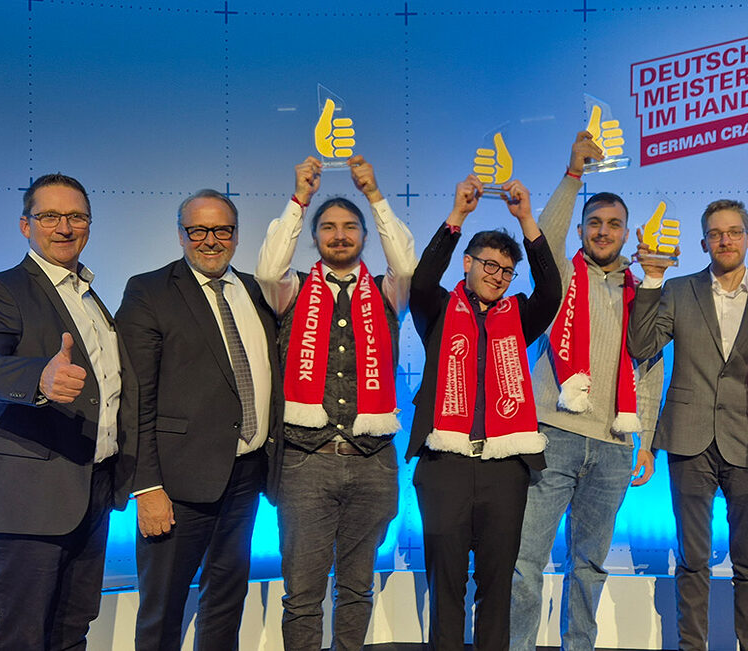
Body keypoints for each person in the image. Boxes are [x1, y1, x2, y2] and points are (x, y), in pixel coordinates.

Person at [0, 173, 136, 651]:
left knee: (72, 628)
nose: (64, 227)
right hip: (31, 500)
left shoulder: (90, 295)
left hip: (92, 488)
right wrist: (39, 379)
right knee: (22, 637)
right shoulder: (1, 290)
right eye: (49, 216)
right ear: (24, 225)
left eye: (76, 216)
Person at [253, 155, 416, 651]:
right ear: (314, 236)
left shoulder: (389, 292)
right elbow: (266, 266)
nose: (339, 235)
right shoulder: (292, 290)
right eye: (328, 228)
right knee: (301, 594)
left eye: (350, 228)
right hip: (306, 463)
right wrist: (300, 197)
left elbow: (406, 261)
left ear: (365, 236)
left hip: (372, 464)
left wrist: (374, 195)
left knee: (356, 588)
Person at [508, 132, 664, 651]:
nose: (603, 232)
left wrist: (643, 438)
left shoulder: (645, 289)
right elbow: (544, 236)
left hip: (616, 445)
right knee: (526, 558)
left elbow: (649, 367)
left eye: (613, 224)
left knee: (590, 564)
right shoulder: (559, 277)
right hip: (554, 433)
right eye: (593, 223)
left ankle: (580, 646)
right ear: (581, 229)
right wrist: (573, 173)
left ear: (627, 233)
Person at [626, 199, 748, 651]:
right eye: (717, 233)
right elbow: (642, 344)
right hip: (688, 438)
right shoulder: (679, 289)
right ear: (704, 242)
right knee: (692, 559)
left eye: (735, 232)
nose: (726, 240)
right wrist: (651, 279)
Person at [116, 189, 278, 651]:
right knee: (162, 609)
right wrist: (147, 488)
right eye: (198, 230)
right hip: (176, 485)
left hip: (246, 473)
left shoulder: (255, 290)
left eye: (222, 230)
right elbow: (136, 397)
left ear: (237, 235)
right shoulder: (149, 290)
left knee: (227, 599)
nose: (210, 241)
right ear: (181, 234)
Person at [407, 175, 562, 651]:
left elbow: (552, 292)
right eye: (489, 265)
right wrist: (458, 217)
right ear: (468, 264)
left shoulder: (519, 314)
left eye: (506, 270)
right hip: (445, 465)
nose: (497, 275)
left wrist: (527, 221)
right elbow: (422, 279)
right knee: (447, 584)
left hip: (504, 469)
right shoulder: (437, 308)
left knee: (498, 587)